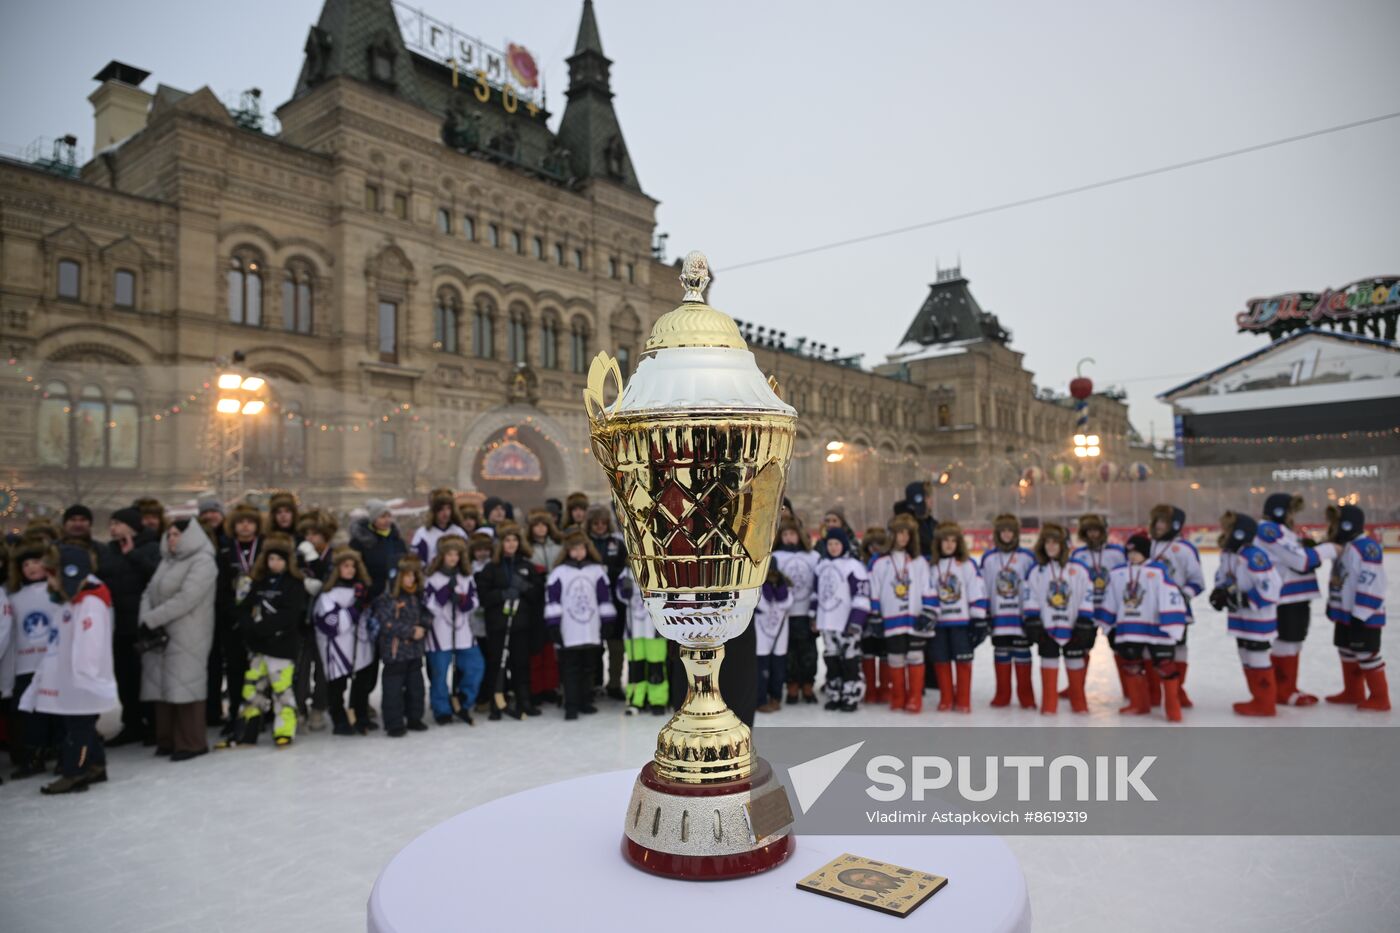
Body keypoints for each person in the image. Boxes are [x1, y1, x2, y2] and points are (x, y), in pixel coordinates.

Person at [21, 546, 116, 794]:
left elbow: (90, 642)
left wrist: (84, 672)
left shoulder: (90, 603)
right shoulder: (72, 600)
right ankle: (95, 764)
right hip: (69, 677)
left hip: (81, 678)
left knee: (78, 728)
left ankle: (76, 772)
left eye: (52, 575)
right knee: (79, 724)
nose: (49, 581)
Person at [138, 519, 217, 761]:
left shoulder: (203, 561)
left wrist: (152, 619)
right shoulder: (166, 562)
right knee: (161, 685)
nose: (172, 539)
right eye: (169, 534)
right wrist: (145, 618)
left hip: (188, 632)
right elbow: (148, 591)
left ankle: (191, 742)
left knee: (185, 685)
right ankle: (167, 739)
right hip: (160, 630)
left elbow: (187, 598)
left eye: (177, 534)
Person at [221, 534, 307, 747]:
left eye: (279, 559)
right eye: (271, 559)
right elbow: (243, 608)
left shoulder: (294, 584)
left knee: (282, 690)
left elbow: (290, 615)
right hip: (258, 647)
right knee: (252, 690)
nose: (274, 563)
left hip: (282, 646)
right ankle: (248, 731)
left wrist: (264, 628)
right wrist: (249, 626)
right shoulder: (258, 583)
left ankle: (284, 729)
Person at [1097, 534, 1187, 722]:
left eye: (1136, 552)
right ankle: (1139, 704)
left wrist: (1172, 624)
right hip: (1128, 628)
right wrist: (1106, 623)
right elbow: (1110, 599)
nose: (1132, 556)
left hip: (1157, 629)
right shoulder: (1117, 573)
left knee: (1165, 666)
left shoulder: (1158, 571)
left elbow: (1171, 597)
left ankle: (1173, 706)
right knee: (1131, 665)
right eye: (1129, 552)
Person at [98, 505, 162, 748]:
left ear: (132, 526)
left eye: (117, 523)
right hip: (117, 625)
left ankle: (153, 724)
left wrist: (133, 554)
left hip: (142, 624)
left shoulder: (152, 547)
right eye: (111, 523)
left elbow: (157, 578)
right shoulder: (108, 551)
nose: (113, 528)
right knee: (124, 678)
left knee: (145, 677)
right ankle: (132, 723)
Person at [1255, 493, 1326, 706]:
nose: (1292, 516)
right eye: (1290, 511)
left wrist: (1307, 548)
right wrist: (1326, 550)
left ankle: (1287, 687)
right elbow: (1300, 561)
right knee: (1287, 641)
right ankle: (1283, 690)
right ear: (1280, 512)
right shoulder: (1269, 530)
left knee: (1294, 641)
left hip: (1297, 595)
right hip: (1287, 597)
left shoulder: (1282, 531)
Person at [1210, 513, 1283, 717]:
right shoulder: (1228, 554)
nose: (1224, 533)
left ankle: (1265, 703)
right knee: (1244, 653)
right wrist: (1221, 592)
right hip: (1240, 617)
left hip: (1258, 617)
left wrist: (1244, 598)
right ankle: (1257, 697)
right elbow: (1223, 576)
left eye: (1228, 530)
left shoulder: (1254, 556)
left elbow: (1272, 588)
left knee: (1257, 653)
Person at [1023, 524, 1096, 715]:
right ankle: (1049, 704)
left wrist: (1084, 620)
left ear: (1063, 545)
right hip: (1047, 628)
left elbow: (1087, 594)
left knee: (1075, 663)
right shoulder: (1037, 571)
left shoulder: (1078, 569)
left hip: (1072, 627)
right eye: (1047, 542)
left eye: (1055, 542)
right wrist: (1033, 620)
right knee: (1049, 662)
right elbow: (1030, 596)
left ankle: (1079, 703)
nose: (1051, 547)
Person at [1322, 504, 1388, 711]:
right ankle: (1353, 692)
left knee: (1366, 653)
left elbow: (1373, 582)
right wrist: (1333, 607)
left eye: (1336, 523)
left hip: (1363, 615)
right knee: (1346, 650)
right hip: (1345, 614)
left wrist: (1361, 614)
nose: (1332, 528)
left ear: (1347, 524)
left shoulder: (1366, 547)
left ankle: (1380, 697)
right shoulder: (1346, 546)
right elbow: (1340, 580)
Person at [6, 537, 61, 779]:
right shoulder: (13, 598)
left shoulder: (56, 592)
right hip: (25, 665)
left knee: (58, 713)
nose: (31, 568)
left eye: (36, 562)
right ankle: (33, 757)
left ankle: (63, 754)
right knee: (29, 716)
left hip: (54, 663)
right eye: (25, 564)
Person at [545, 531, 615, 720]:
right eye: (574, 548)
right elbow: (552, 601)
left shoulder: (596, 571)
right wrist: (553, 625)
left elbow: (604, 598)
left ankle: (585, 701)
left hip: (591, 629)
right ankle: (571, 704)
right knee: (570, 669)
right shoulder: (559, 572)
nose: (578, 552)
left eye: (581, 548)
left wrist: (607, 621)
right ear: (568, 551)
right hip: (569, 630)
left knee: (588, 667)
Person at [925, 522, 987, 713]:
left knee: (963, 660)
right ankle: (946, 698)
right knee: (941, 660)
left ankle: (963, 699)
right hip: (939, 624)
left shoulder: (967, 565)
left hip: (962, 623)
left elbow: (976, 590)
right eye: (945, 541)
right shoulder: (931, 567)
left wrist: (978, 618)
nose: (949, 545)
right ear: (938, 543)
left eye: (953, 540)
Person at [870, 514, 929, 713]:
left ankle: (914, 698)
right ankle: (898, 697)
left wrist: (928, 612)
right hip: (891, 620)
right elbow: (874, 591)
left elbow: (927, 588)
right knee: (895, 658)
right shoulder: (879, 562)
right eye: (899, 533)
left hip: (915, 619)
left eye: (907, 534)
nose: (903, 538)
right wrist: (876, 614)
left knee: (915, 656)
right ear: (892, 535)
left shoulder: (919, 562)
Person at [1148, 504, 1205, 708]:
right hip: (1149, 610)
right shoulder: (1148, 544)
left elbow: (1197, 581)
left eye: (1164, 521)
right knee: (1151, 650)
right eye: (1157, 521)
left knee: (1178, 648)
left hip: (1176, 611)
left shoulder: (1184, 549)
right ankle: (1153, 692)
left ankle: (1177, 691)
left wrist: (1182, 595)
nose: (1159, 525)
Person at [313, 549, 375, 735]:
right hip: (337, 649)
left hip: (360, 646)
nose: (350, 570)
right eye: (346, 566)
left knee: (361, 684)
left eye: (353, 566)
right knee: (337, 687)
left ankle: (360, 716)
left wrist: (363, 605)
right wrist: (352, 610)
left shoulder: (361, 590)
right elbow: (330, 623)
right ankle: (339, 720)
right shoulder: (328, 595)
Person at [424, 535, 482, 725]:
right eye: (449, 554)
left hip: (463, 632)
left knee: (475, 666)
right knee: (440, 673)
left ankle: (463, 701)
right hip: (439, 634)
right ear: (442, 555)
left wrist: (463, 600)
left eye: (457, 554)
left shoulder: (465, 576)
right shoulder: (431, 578)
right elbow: (428, 606)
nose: (453, 558)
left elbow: (474, 601)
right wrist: (444, 593)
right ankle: (441, 709)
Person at [981, 513, 1037, 710]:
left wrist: (1032, 615)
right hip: (999, 618)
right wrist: (985, 614)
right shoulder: (989, 558)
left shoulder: (1027, 557)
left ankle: (1026, 696)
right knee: (1001, 652)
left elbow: (1033, 586)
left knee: (1023, 653)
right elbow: (985, 587)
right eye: (1003, 530)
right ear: (997, 533)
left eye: (1010, 531)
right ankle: (1002, 695)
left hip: (1020, 618)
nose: (1006, 534)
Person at [215, 501, 263, 734]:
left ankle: (258, 713)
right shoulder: (224, 550)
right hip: (231, 619)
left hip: (259, 617)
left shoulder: (264, 548)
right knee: (235, 669)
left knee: (258, 669)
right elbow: (220, 586)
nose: (245, 526)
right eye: (241, 522)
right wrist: (234, 613)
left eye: (250, 522)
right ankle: (234, 712)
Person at [372, 555, 431, 737]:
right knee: (393, 689)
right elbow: (386, 622)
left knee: (416, 687)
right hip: (395, 651)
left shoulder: (416, 595)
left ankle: (414, 717)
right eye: (407, 575)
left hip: (414, 651)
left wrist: (424, 626)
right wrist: (410, 631)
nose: (411, 579)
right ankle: (394, 722)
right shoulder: (389, 597)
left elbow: (426, 613)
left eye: (414, 575)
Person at [1070, 514, 1127, 699]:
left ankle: (1129, 687)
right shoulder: (1078, 554)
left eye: (1096, 530)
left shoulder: (1117, 553)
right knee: (1082, 648)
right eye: (1089, 531)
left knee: (1120, 648)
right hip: (1088, 610)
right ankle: (1076, 686)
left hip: (1112, 610)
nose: (1093, 534)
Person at [815, 526, 870, 713]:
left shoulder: (853, 566)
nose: (833, 547)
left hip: (847, 624)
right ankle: (835, 694)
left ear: (844, 545)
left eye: (836, 543)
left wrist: (856, 621)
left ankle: (851, 695)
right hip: (827, 624)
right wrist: (813, 617)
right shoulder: (821, 566)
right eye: (830, 543)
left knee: (850, 661)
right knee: (831, 661)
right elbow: (816, 594)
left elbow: (862, 596)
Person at [294, 509, 338, 731]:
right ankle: (299, 708)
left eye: (315, 534)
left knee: (323, 669)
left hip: (326, 622)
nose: (310, 539)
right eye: (307, 534)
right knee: (300, 669)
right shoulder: (298, 556)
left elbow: (332, 580)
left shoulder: (335, 555)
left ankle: (319, 707)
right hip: (302, 621)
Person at [773, 516, 820, 705]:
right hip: (785, 614)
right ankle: (792, 684)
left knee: (809, 652)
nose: (789, 537)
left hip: (807, 612)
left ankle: (808, 684)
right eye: (785, 534)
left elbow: (819, 586)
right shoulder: (775, 557)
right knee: (789, 652)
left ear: (799, 535)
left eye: (792, 533)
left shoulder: (814, 557)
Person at [585, 505, 628, 702]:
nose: (600, 526)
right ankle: (593, 683)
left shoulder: (617, 541)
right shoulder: (585, 542)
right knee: (593, 645)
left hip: (616, 600)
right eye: (596, 523)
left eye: (603, 523)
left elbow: (624, 567)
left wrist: (609, 571)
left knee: (615, 645)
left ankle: (614, 683)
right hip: (591, 602)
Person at [614, 566, 668, 716]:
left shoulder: (658, 569)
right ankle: (637, 700)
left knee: (656, 665)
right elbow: (621, 596)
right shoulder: (625, 572)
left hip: (654, 628)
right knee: (635, 665)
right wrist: (624, 591)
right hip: (634, 629)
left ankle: (657, 700)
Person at [754, 565, 794, 713]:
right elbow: (761, 606)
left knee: (778, 670)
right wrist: (766, 589)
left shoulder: (786, 589)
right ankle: (760, 699)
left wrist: (778, 590)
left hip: (779, 636)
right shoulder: (756, 588)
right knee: (761, 670)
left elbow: (786, 603)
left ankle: (775, 698)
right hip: (762, 637)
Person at [860, 526, 891, 703]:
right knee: (868, 650)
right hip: (865, 615)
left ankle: (885, 687)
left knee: (885, 651)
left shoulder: (887, 563)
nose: (875, 548)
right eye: (871, 545)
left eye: (879, 544)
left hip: (885, 613)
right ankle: (871, 689)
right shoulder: (859, 563)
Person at [411, 488, 468, 563]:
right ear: (434, 511)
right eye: (441, 509)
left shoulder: (459, 532)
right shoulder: (422, 534)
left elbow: (466, 560)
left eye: (448, 508)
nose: (446, 513)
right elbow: (418, 563)